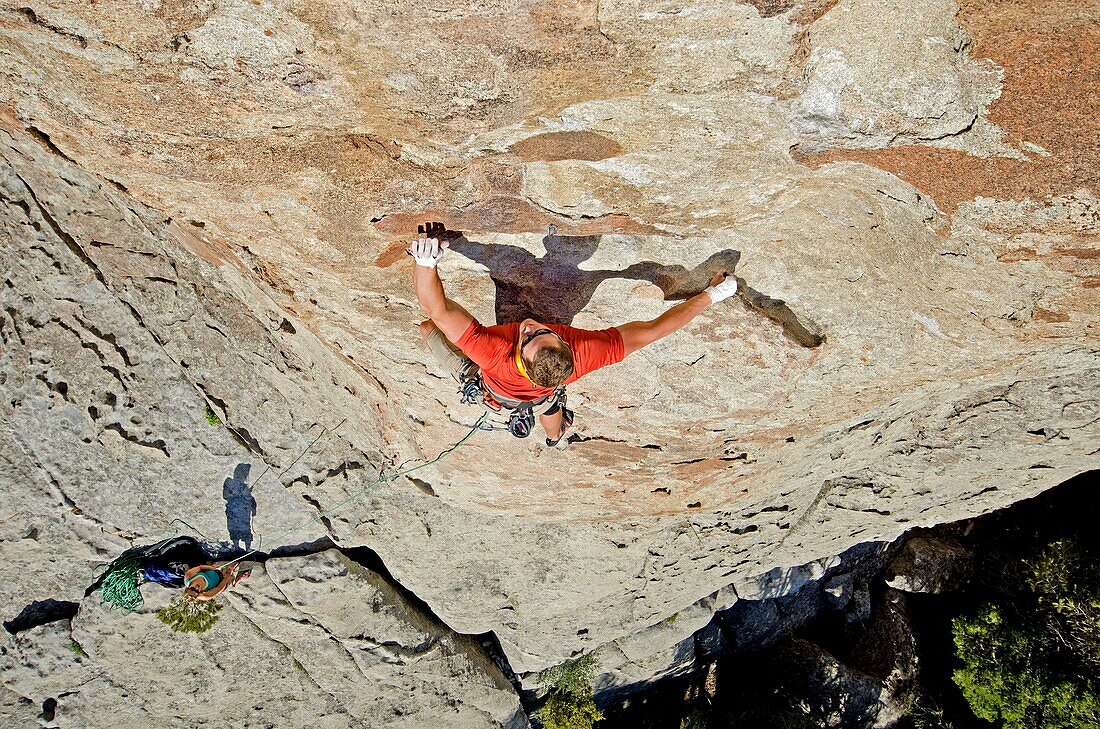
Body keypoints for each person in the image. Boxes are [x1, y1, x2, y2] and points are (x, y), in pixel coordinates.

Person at [410, 222, 740, 446]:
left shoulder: (494, 351)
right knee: (550, 416)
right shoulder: (584, 352)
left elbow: (437, 310)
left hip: (490, 381)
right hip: (538, 393)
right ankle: (555, 437)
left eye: (530, 337)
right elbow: (653, 330)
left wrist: (426, 265)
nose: (529, 326)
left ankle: (551, 432)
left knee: (430, 329)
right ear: (566, 344)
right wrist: (711, 295)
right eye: (541, 332)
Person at [182, 562, 250, 601]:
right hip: (219, 583)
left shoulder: (189, 576)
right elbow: (219, 588)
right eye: (197, 591)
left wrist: (213, 568)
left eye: (193, 588)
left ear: (188, 587)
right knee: (229, 582)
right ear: (200, 593)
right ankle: (238, 580)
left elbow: (200, 567)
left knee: (220, 565)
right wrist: (228, 575)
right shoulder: (205, 596)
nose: (196, 588)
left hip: (214, 572)